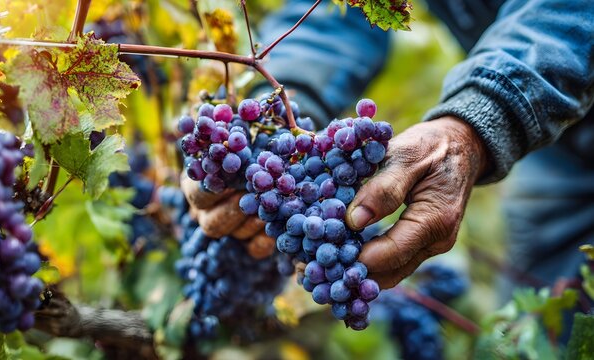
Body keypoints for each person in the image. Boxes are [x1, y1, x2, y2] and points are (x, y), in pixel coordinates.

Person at [182, 0, 594, 292]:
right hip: (560, 145)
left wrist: (483, 114)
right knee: (540, 321)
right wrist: (283, 103)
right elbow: (334, 11)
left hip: (557, 90)